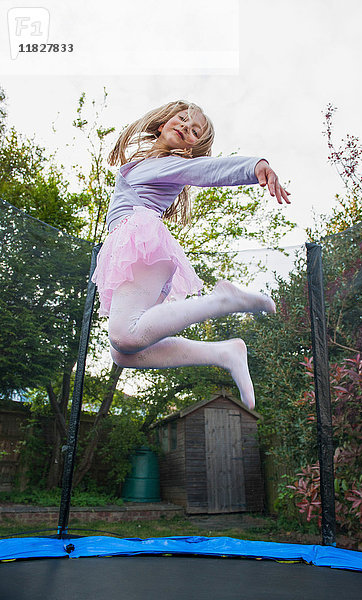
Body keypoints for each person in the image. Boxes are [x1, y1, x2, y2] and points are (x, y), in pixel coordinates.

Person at [92, 100, 291, 410]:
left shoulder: (170, 164)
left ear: (193, 145)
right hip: (139, 253)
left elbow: (206, 170)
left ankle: (222, 300)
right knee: (123, 353)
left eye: (194, 130)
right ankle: (224, 353)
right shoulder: (148, 161)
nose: (186, 126)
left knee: (125, 335)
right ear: (161, 124)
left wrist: (254, 167)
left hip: (140, 245)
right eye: (182, 119)